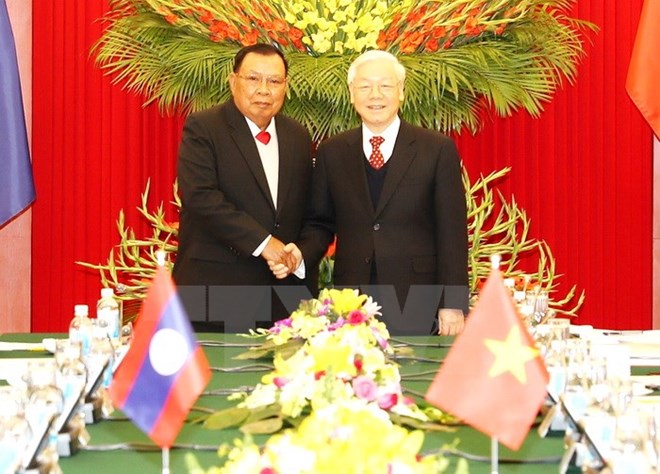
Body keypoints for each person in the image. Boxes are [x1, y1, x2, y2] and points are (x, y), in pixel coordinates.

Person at [272, 50, 468, 335]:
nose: (375, 94)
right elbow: (320, 223)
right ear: (352, 94)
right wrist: (299, 252)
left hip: (418, 298)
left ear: (400, 92)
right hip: (352, 298)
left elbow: (452, 232)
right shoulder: (332, 151)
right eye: (364, 87)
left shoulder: (436, 149)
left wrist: (452, 303)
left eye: (385, 86)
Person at [173, 43, 313, 329]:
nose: (264, 89)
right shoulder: (204, 128)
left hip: (282, 295)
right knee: (219, 374)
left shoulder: (297, 135)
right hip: (218, 290)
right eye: (253, 79)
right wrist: (265, 245)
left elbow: (309, 208)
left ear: (285, 87)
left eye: (274, 81)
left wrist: (296, 253)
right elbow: (202, 198)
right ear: (233, 81)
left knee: (284, 373)